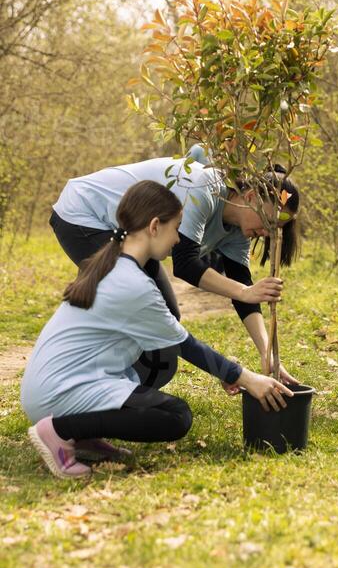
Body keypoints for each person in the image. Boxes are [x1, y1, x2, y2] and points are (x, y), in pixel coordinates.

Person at [22, 180, 293, 479]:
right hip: (59, 394)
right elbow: (186, 345)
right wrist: (247, 378)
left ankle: (83, 436)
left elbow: (175, 341)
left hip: (56, 385)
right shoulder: (133, 284)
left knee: (154, 373)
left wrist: (228, 373)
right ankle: (59, 430)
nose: (178, 239)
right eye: (176, 228)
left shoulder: (114, 265)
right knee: (176, 416)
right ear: (154, 226)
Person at [49, 155, 300, 385]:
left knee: (166, 314)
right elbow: (185, 264)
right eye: (268, 221)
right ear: (251, 198)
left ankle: (121, 392)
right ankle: (80, 382)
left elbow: (244, 290)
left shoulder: (237, 232)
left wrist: (267, 354)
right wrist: (245, 292)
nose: (267, 233)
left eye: (275, 228)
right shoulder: (205, 188)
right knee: (135, 304)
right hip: (86, 213)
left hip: (132, 234)